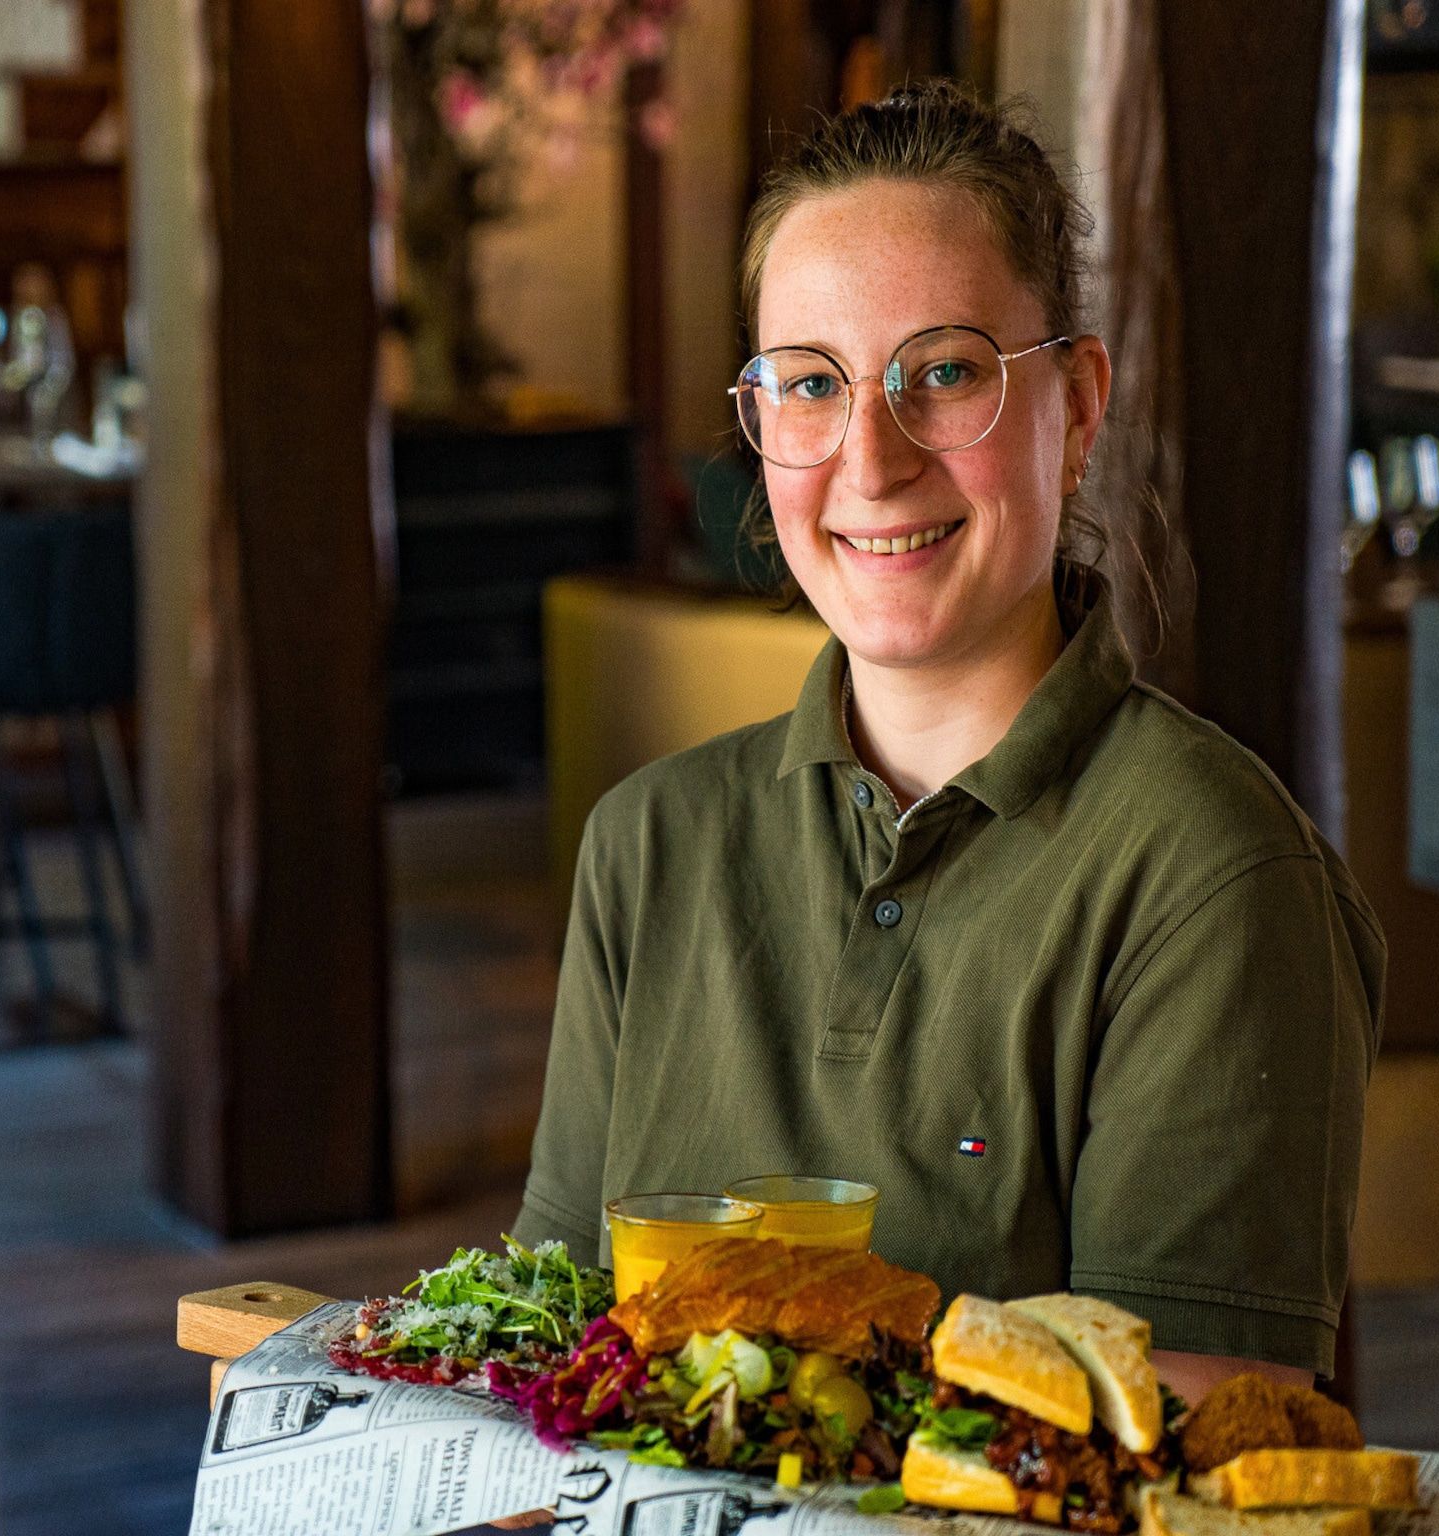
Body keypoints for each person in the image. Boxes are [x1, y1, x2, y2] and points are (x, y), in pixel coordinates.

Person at [509, 81, 1384, 1401]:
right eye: (810, 384)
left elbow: (1206, 1424)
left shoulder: (1214, 874)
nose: (870, 458)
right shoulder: (649, 844)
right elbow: (552, 1341)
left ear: (1079, 409)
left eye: (945, 373)